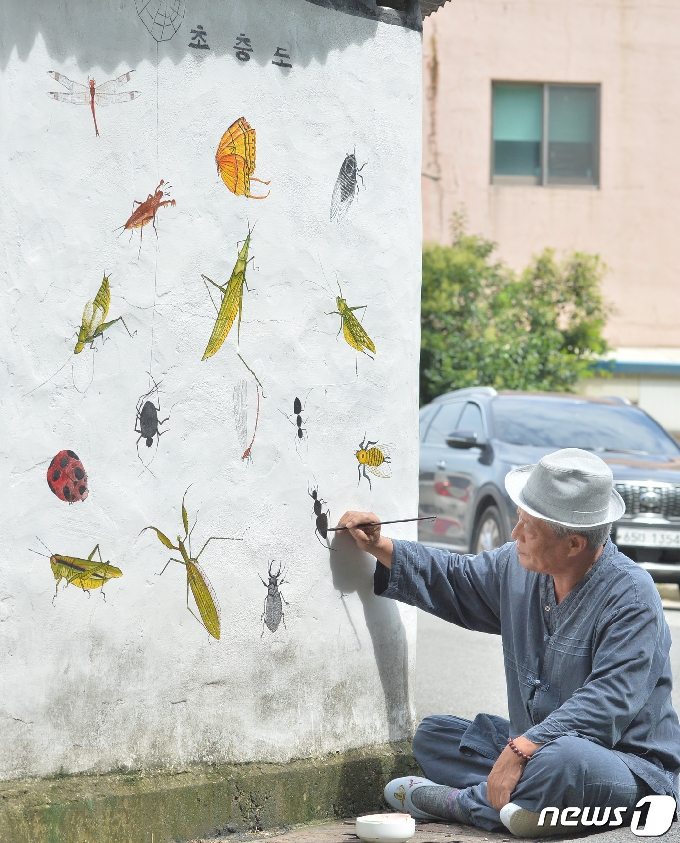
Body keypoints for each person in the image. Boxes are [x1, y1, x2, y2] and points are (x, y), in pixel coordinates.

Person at [338, 449, 680, 837]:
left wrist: (523, 748)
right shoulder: (517, 567)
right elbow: (456, 577)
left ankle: (461, 803)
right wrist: (378, 545)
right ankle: (524, 803)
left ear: (573, 544)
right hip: (534, 751)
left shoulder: (632, 596)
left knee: (563, 762)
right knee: (434, 735)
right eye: (519, 519)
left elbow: (608, 701)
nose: (515, 534)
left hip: (622, 765)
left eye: (528, 527)